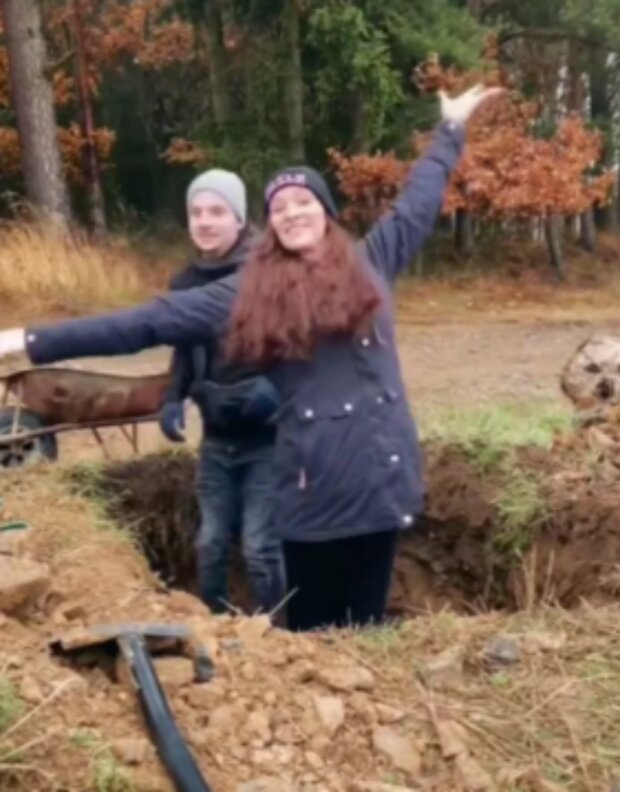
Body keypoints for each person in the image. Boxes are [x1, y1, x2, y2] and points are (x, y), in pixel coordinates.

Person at [0, 85, 501, 631]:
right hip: (315, 492)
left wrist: (451, 129)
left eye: (303, 202)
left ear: (326, 212)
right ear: (270, 226)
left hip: (382, 482)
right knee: (313, 636)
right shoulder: (249, 292)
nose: (292, 213)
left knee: (369, 627)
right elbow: (149, 321)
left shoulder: (372, 262)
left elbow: (418, 203)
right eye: (279, 208)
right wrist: (29, 340)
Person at [159, 168, 285, 616]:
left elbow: (301, 344)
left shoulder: (270, 275)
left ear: (239, 219)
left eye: (216, 211)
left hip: (267, 442)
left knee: (259, 547)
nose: (205, 222)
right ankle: (211, 626)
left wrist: (276, 390)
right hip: (215, 439)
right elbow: (183, 347)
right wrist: (172, 397)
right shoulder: (185, 283)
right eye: (196, 213)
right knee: (210, 542)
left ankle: (277, 634)